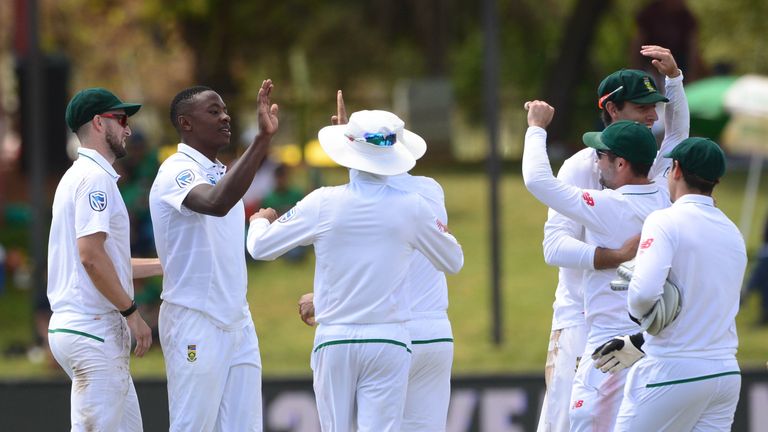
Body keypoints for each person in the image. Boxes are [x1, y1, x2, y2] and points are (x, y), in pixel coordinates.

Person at [247, 108, 464, 431]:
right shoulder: (415, 203)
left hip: (335, 338)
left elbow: (259, 248)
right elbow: (453, 260)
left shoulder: (323, 201)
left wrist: (258, 222)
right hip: (389, 339)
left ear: (347, 151)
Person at [535, 46, 688, 432]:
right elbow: (554, 246)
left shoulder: (645, 158)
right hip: (578, 319)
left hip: (632, 323)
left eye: (655, 106)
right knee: (565, 423)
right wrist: (615, 255)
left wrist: (675, 80)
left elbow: (678, 136)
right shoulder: (580, 166)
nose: (653, 115)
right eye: (642, 107)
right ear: (613, 110)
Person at [149, 79, 278, 431]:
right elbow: (215, 203)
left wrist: (259, 223)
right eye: (213, 111)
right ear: (185, 123)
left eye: (225, 110)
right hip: (195, 319)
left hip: (238, 320)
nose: (225, 117)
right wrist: (262, 140)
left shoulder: (220, 171)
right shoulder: (175, 170)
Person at [605, 138, 745, 430]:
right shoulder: (733, 232)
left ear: (677, 169)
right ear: (716, 179)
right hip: (724, 374)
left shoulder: (664, 220)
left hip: (672, 369)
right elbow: (706, 303)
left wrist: (638, 318)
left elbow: (643, 296)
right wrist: (640, 341)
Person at [47, 88, 163, 430]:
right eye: (121, 119)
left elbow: (105, 262)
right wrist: (132, 312)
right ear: (99, 123)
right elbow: (91, 258)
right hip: (93, 328)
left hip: (83, 326)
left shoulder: (79, 176)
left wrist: (165, 266)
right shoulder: (95, 179)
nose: (128, 129)